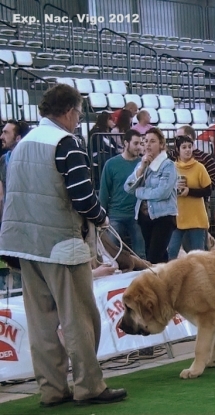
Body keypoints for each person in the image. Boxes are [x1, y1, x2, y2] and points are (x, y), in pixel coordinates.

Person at [0, 84, 127, 406]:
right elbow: (83, 199)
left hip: (24, 246)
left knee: (42, 324)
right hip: (61, 244)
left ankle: (52, 390)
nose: (78, 120)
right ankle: (89, 386)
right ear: (70, 111)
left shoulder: (22, 144)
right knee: (79, 320)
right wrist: (102, 220)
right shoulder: (66, 143)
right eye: (78, 113)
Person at [124, 127, 178, 264]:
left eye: (152, 141)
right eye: (145, 141)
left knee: (154, 257)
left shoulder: (168, 165)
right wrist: (141, 167)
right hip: (144, 217)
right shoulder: (143, 163)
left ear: (161, 144)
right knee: (156, 255)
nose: (147, 144)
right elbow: (127, 187)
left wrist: (140, 192)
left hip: (163, 217)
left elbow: (162, 192)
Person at [99, 129, 146, 259]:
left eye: (141, 144)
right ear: (126, 143)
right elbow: (104, 191)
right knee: (110, 253)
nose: (139, 147)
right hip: (116, 214)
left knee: (141, 253)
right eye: (136, 143)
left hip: (136, 215)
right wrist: (101, 217)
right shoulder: (111, 164)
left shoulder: (143, 164)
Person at [167, 135, 212, 260]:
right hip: (177, 218)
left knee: (197, 255)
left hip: (196, 218)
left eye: (190, 147)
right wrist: (174, 188)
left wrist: (189, 191)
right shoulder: (171, 168)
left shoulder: (199, 167)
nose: (187, 150)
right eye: (184, 147)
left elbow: (208, 190)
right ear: (178, 150)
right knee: (171, 250)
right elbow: (165, 190)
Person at [0, 120, 30, 295]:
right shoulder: (3, 160)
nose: (1, 137)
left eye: (6, 133)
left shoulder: (28, 159)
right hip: (10, 220)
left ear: (18, 137)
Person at [177, 125, 215, 191]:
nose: (177, 140)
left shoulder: (206, 158)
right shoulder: (172, 157)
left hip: (200, 199)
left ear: (189, 137)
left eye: (179, 137)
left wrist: (195, 191)